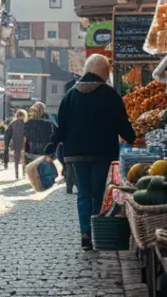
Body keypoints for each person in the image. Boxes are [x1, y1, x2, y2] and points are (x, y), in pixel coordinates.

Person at [49, 54, 136, 250]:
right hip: (102, 152)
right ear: (104, 72)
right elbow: (121, 122)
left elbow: (60, 126)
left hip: (76, 153)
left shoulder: (70, 94)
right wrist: (132, 138)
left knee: (84, 193)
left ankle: (85, 233)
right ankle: (95, 232)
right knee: (98, 192)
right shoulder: (110, 94)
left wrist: (52, 146)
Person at [4, 109, 27, 179]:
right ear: (24, 116)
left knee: (16, 159)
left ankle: (16, 175)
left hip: (16, 143)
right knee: (24, 159)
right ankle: (24, 174)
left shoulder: (12, 124)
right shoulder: (26, 123)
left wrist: (7, 144)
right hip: (24, 143)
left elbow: (7, 135)